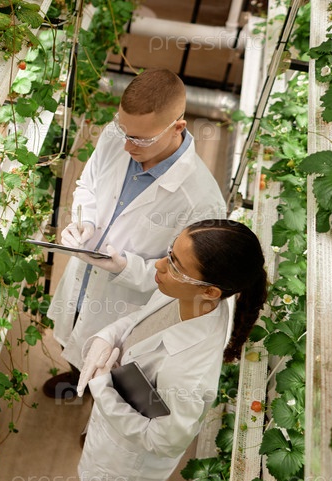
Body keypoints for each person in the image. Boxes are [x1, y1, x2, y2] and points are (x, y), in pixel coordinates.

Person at [57, 219, 268, 481]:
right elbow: (141, 321)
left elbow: (163, 440)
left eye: (175, 265)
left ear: (211, 291)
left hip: (126, 468)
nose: (159, 264)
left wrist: (104, 389)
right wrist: (107, 336)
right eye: (170, 252)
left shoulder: (187, 373)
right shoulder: (189, 296)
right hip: (116, 427)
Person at [44, 68, 226, 399]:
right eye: (123, 131)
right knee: (73, 336)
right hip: (83, 280)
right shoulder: (118, 136)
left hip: (125, 303)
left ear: (178, 128)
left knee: (114, 371)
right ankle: (75, 374)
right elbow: (88, 184)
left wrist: (126, 268)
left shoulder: (202, 201)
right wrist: (85, 220)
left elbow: (185, 282)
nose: (127, 145)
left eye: (140, 139)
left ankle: (102, 408)